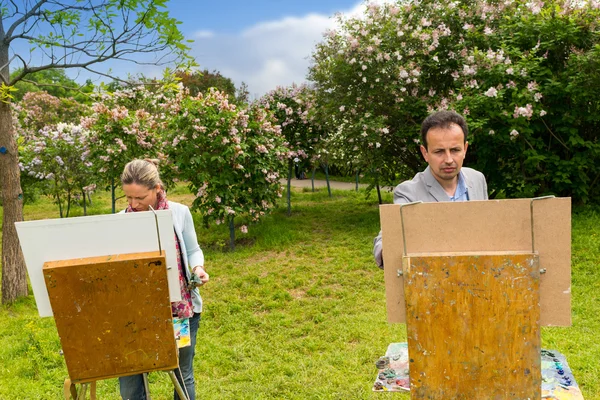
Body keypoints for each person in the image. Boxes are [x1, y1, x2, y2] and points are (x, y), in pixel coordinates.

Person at [118, 159, 209, 400]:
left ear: (157, 188)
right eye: (128, 198)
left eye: (140, 197)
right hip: (133, 315)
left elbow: (192, 250)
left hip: (178, 311)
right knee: (131, 378)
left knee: (182, 374)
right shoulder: (119, 219)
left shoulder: (178, 213)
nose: (133, 204)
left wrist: (197, 268)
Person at [373, 110, 488, 268]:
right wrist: (387, 251)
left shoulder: (477, 179)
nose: (448, 160)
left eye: (455, 150)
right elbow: (386, 238)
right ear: (425, 153)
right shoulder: (408, 193)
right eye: (439, 152)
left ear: (465, 149)